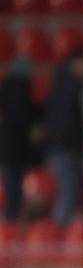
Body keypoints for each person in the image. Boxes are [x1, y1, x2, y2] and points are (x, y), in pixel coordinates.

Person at [45, 48, 83, 227]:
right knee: (67, 195)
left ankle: (63, 233)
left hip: (61, 148)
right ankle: (58, 235)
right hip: (64, 148)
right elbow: (68, 122)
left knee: (70, 195)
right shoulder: (72, 87)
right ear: (75, 64)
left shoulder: (59, 84)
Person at [0, 57, 36, 222]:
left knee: (11, 193)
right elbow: (24, 121)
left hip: (7, 151)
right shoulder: (21, 91)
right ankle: (11, 224)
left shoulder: (5, 90)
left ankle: (11, 224)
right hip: (15, 152)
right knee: (14, 194)